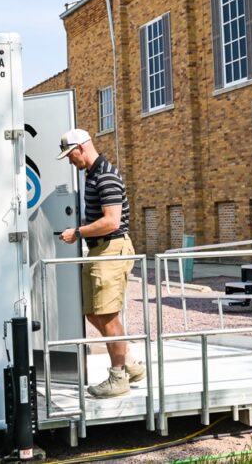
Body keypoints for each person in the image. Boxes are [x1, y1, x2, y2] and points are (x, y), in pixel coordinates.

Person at [57, 128, 146, 398]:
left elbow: (111, 221)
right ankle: (129, 363)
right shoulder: (93, 174)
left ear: (80, 148)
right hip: (99, 251)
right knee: (92, 311)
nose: (70, 161)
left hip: (111, 250)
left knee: (107, 315)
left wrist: (78, 232)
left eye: (70, 156)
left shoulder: (105, 175)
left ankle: (118, 377)